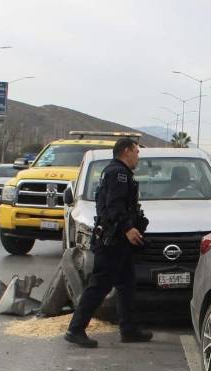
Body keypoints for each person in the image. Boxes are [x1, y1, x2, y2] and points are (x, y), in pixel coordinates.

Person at [64, 137, 153, 348]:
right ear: (126, 151)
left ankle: (129, 329)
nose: (138, 157)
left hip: (118, 241)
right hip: (113, 240)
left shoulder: (115, 172)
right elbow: (114, 206)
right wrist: (128, 228)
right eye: (136, 152)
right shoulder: (118, 173)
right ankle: (75, 329)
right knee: (99, 286)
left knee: (126, 285)